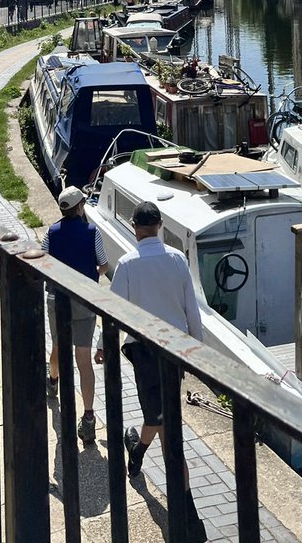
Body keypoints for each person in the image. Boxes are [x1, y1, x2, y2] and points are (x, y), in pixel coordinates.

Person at [110, 201, 206, 542]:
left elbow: (113, 312)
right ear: (160, 225)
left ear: (135, 226)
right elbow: (190, 308)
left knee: (164, 421)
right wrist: (199, 349)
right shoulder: (177, 259)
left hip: (145, 352)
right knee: (165, 419)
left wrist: (101, 349)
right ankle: (140, 455)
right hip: (175, 351)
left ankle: (186, 513)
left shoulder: (126, 264)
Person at [42, 186, 108, 444]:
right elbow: (103, 265)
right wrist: (92, 275)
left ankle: (53, 380)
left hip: (57, 300)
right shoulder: (93, 233)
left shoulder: (51, 233)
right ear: (81, 207)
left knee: (58, 345)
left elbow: (44, 264)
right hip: (84, 301)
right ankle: (89, 416)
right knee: (84, 360)